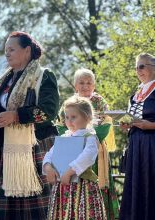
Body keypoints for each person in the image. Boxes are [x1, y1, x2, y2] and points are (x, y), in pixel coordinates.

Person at [0, 31, 59, 219]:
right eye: (5, 50)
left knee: (38, 210)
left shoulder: (43, 76)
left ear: (27, 50)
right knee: (11, 211)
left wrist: (16, 116)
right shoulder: (3, 81)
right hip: (6, 151)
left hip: (35, 148)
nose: (7, 53)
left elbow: (48, 111)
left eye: (12, 49)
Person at [57, 68, 119, 220]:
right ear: (75, 85)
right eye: (81, 82)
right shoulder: (69, 103)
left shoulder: (99, 101)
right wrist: (74, 136)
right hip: (72, 148)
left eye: (89, 83)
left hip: (95, 149)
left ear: (94, 85)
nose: (85, 86)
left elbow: (106, 125)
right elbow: (60, 125)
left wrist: (86, 136)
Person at [43, 96, 106, 219]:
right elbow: (50, 154)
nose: (69, 121)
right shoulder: (65, 137)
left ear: (87, 118)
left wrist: (70, 171)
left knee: (82, 213)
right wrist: (48, 167)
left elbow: (87, 157)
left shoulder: (90, 138)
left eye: (74, 117)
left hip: (82, 186)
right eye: (66, 117)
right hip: (62, 187)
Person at [119, 53, 155, 220]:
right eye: (136, 67)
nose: (138, 70)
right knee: (137, 186)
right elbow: (131, 117)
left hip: (152, 145)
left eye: (142, 66)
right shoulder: (137, 93)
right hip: (136, 145)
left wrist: (151, 125)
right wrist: (126, 125)